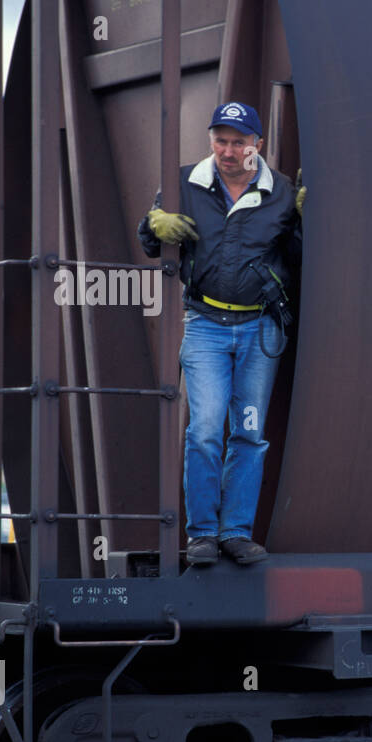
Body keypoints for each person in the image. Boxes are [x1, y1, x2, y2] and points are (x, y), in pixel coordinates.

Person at [138, 101, 305, 566]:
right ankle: (202, 536)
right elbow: (149, 242)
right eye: (220, 140)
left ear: (258, 145)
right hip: (207, 326)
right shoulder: (185, 182)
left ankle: (235, 532)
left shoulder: (281, 194)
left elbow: (298, 258)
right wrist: (154, 223)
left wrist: (307, 221)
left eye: (238, 142)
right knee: (206, 429)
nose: (228, 151)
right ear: (211, 139)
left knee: (249, 434)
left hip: (260, 329)